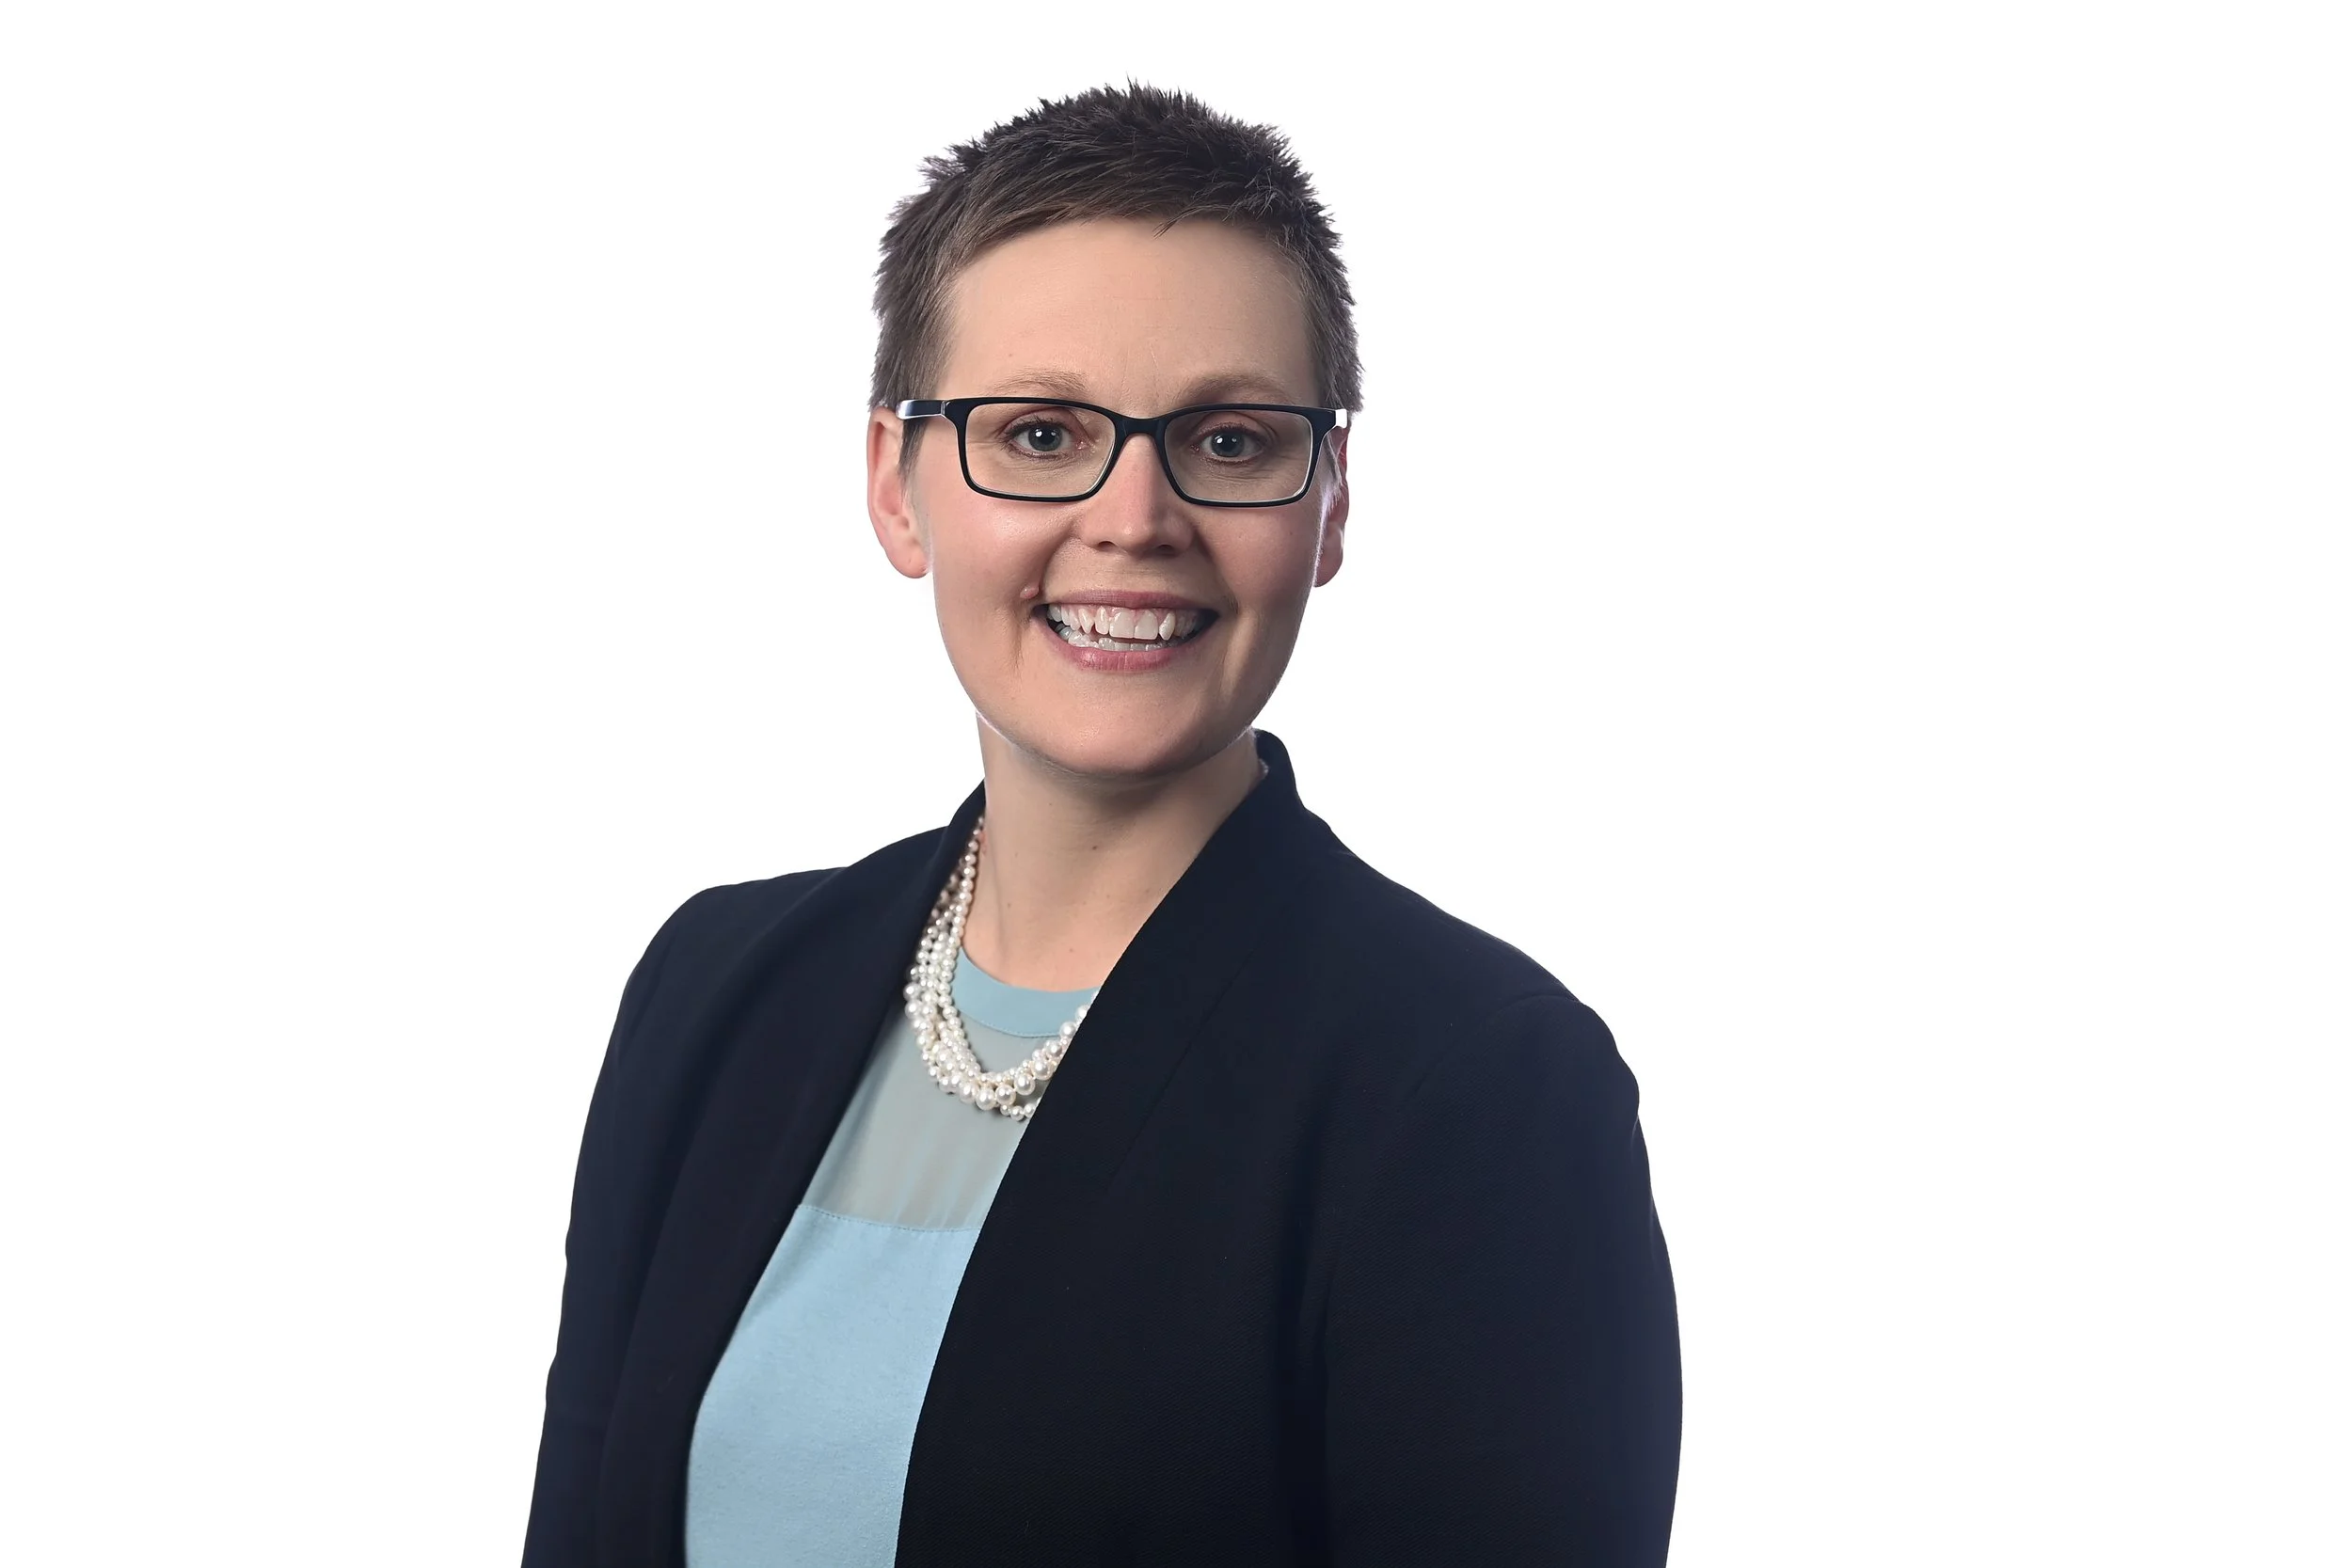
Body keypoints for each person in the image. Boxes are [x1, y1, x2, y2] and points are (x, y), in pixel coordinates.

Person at [521, 84, 1680, 1567]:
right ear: (896, 484)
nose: (1135, 516)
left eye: (1231, 440)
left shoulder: (1482, 1092)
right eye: (1041, 430)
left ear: (1328, 505)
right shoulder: (716, 987)